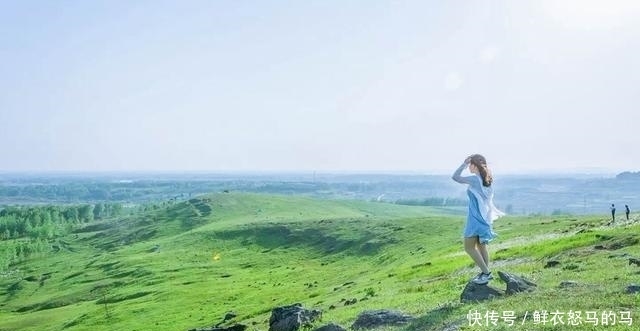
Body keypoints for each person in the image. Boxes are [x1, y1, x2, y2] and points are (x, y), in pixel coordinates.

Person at [452, 154, 505, 285]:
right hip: (484, 219)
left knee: (468, 247)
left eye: (470, 164)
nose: (469, 166)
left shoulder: (475, 179)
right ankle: (485, 273)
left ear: (474, 165)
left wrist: (463, 164)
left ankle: (486, 273)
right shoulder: (487, 178)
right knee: (482, 247)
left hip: (475, 219)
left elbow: (455, 177)